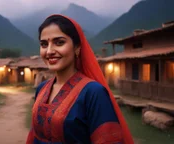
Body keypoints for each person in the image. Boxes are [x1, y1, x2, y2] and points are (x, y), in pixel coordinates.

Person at [26, 14, 134, 144]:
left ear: (77, 47)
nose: (49, 51)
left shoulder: (93, 92)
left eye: (59, 42)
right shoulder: (41, 89)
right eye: (44, 44)